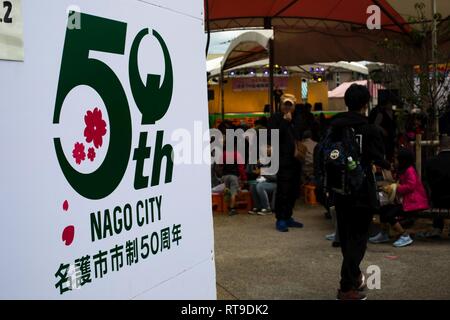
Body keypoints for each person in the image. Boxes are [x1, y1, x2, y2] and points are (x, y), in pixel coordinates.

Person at [329, 84, 390, 300]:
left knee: (347, 238)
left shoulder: (334, 126)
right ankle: (347, 287)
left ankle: (352, 280)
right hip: (363, 191)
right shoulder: (370, 129)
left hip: (341, 189)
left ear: (346, 102)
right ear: (365, 105)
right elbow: (380, 158)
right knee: (359, 239)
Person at [369, 148, 429, 247]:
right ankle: (384, 234)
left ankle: (404, 235)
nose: (395, 161)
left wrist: (396, 188)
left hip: (413, 203)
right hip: (406, 202)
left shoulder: (410, 170)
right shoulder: (403, 170)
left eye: (397, 159)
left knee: (389, 214)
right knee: (383, 210)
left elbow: (411, 186)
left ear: (403, 160)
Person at [269, 94, 304, 232]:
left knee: (294, 190)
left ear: (294, 106)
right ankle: (281, 218)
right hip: (282, 160)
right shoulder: (275, 119)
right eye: (285, 104)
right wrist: (284, 122)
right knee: (283, 190)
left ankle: (288, 216)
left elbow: (299, 135)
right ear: (280, 105)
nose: (287, 107)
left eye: (290, 105)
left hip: (296, 160)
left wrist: (292, 122)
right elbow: (273, 137)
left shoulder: (297, 119)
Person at [422, 135, 450, 238]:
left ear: (439, 146)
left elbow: (427, 182)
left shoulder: (430, 161)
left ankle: (437, 227)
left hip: (438, 200)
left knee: (437, 192)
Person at [248, 146, 277, 216]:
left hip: (275, 183)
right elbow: (253, 171)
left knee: (260, 186)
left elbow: (275, 177)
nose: (266, 149)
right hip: (266, 181)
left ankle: (267, 208)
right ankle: (258, 207)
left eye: (268, 147)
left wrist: (262, 172)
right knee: (253, 185)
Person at [222, 140, 247, 216]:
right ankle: (232, 209)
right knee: (233, 192)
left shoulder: (223, 154)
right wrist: (244, 178)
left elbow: (220, 165)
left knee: (227, 192)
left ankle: (228, 207)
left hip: (224, 176)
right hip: (233, 176)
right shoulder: (237, 155)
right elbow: (241, 168)